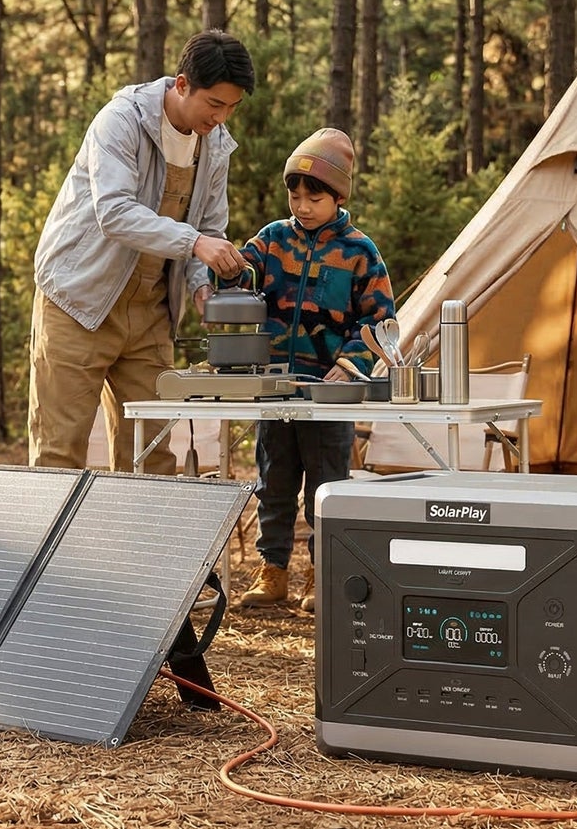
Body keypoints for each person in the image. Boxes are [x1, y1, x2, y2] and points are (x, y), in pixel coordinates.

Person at [28, 30, 255, 474]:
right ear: (182, 84)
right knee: (59, 454)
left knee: (152, 458)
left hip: (151, 312)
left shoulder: (215, 145)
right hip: (78, 302)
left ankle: (135, 526)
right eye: (215, 104)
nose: (222, 117)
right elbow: (114, 213)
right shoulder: (120, 121)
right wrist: (195, 243)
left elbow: (209, 227)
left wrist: (201, 286)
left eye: (232, 107)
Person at [237, 127, 394, 614]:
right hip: (276, 389)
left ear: (339, 196)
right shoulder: (272, 240)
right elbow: (241, 273)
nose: (302, 206)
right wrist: (224, 267)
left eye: (315, 197)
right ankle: (273, 571)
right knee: (274, 482)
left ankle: (323, 572)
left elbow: (380, 321)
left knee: (326, 488)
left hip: (329, 395)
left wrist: (350, 364)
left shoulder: (360, 252)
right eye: (295, 196)